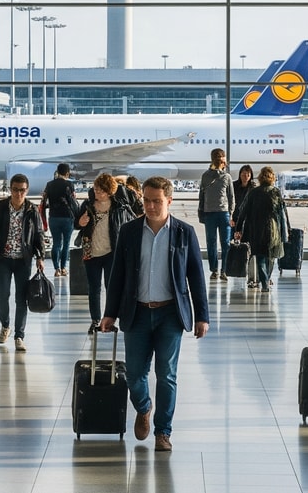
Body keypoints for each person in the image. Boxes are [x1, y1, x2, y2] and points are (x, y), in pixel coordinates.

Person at [100, 176, 210, 453]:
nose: (150, 206)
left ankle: (163, 432)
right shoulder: (129, 231)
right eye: (146, 200)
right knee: (135, 374)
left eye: (157, 201)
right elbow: (118, 276)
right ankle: (144, 407)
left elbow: (196, 275)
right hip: (136, 313)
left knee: (167, 374)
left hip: (170, 314)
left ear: (169, 201)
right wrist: (110, 313)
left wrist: (202, 316)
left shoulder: (185, 233)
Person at [0, 174, 46, 352]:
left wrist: (41, 256)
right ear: (10, 189)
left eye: (22, 190)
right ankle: (5, 325)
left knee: (21, 298)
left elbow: (39, 234)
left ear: (27, 190)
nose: (18, 194)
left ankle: (19, 335)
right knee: (3, 294)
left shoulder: (32, 210)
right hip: (3, 258)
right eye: (15, 190)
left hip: (24, 259)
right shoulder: (0, 207)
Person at [76, 174, 132, 333]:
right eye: (95, 190)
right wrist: (81, 222)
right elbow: (76, 223)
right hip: (90, 252)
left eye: (100, 191)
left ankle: (110, 317)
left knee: (111, 287)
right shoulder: (87, 205)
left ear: (109, 192)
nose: (97, 193)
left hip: (111, 252)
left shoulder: (119, 207)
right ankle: (95, 319)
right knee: (93, 288)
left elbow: (128, 225)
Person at [234, 166, 287, 291]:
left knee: (260, 256)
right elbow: (282, 214)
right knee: (271, 257)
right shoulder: (276, 192)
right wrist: (285, 231)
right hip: (273, 229)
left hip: (257, 229)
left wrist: (238, 227)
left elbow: (244, 211)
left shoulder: (254, 192)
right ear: (272, 178)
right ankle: (267, 279)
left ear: (260, 178)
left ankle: (264, 283)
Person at [197, 149, 235, 280]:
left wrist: (231, 213)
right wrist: (201, 211)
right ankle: (214, 269)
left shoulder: (227, 177)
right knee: (211, 242)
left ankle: (224, 269)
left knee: (225, 243)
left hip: (223, 213)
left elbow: (231, 197)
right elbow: (201, 195)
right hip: (209, 213)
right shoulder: (206, 176)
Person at [40, 163, 78, 277]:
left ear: (57, 172)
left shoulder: (49, 184)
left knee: (56, 243)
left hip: (54, 217)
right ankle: (63, 268)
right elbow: (73, 200)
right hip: (67, 217)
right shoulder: (69, 184)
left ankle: (56, 269)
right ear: (67, 173)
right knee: (66, 243)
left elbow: (44, 200)